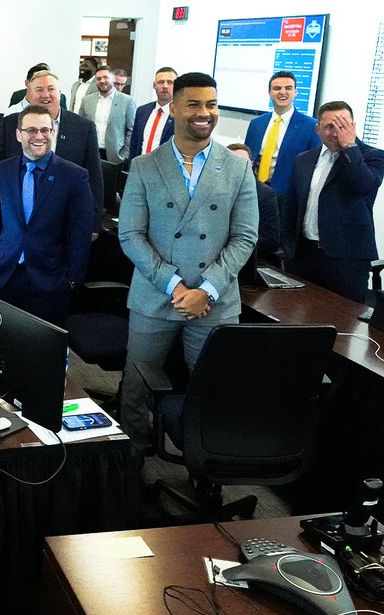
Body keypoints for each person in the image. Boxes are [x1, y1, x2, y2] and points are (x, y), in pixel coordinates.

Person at [117, 72, 257, 449]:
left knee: (214, 391)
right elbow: (130, 235)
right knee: (135, 387)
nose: (204, 113)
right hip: (155, 294)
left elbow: (245, 237)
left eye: (211, 104)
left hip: (214, 300)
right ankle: (131, 463)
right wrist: (174, 285)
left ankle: (207, 472)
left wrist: (206, 290)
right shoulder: (146, 165)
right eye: (194, 104)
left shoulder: (238, 166)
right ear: (174, 108)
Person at [0, 105, 94, 326]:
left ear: (52, 132)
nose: (39, 136)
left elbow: (80, 235)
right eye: (31, 130)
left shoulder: (74, 176)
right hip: (3, 275)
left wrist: (71, 281)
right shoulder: (0, 171)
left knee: (40, 353)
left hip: (49, 280)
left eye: (45, 130)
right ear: (18, 134)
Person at [282, 101, 384, 303]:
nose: (335, 133)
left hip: (346, 261)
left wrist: (349, 147)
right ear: (317, 129)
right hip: (303, 255)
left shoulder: (373, 157)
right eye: (329, 127)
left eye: (342, 126)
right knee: (295, 319)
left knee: (343, 323)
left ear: (353, 126)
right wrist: (287, 246)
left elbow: (364, 185)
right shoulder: (304, 159)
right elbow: (291, 206)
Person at [0, 70, 103, 224]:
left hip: (66, 216)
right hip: (19, 217)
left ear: (60, 93)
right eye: (39, 90)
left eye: (51, 89)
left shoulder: (83, 127)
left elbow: (94, 177)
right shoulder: (10, 124)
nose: (45, 95)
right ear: (29, 94)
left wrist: (94, 222)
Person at [243, 71, 321, 195]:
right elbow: (246, 158)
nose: (282, 92)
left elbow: (314, 166)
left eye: (288, 88)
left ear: (295, 92)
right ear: (269, 92)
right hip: (254, 191)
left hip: (286, 196)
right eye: (277, 88)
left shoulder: (311, 126)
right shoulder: (256, 123)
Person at [227, 142, 282, 265]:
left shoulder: (265, 195)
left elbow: (270, 240)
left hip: (249, 260)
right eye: (233, 161)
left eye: (243, 162)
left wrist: (236, 243)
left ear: (251, 164)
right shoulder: (212, 189)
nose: (239, 166)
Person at [77, 66, 136, 164]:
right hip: (90, 153)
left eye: (105, 77)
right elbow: (81, 127)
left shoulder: (127, 101)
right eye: (98, 78)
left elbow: (131, 130)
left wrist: (124, 155)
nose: (102, 81)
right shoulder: (86, 100)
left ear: (113, 78)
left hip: (115, 157)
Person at [129, 67, 176, 165]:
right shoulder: (142, 111)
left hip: (165, 171)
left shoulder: (180, 115)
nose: (165, 86)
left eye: (170, 82)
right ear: (154, 85)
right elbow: (134, 143)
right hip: (140, 167)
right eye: (161, 82)